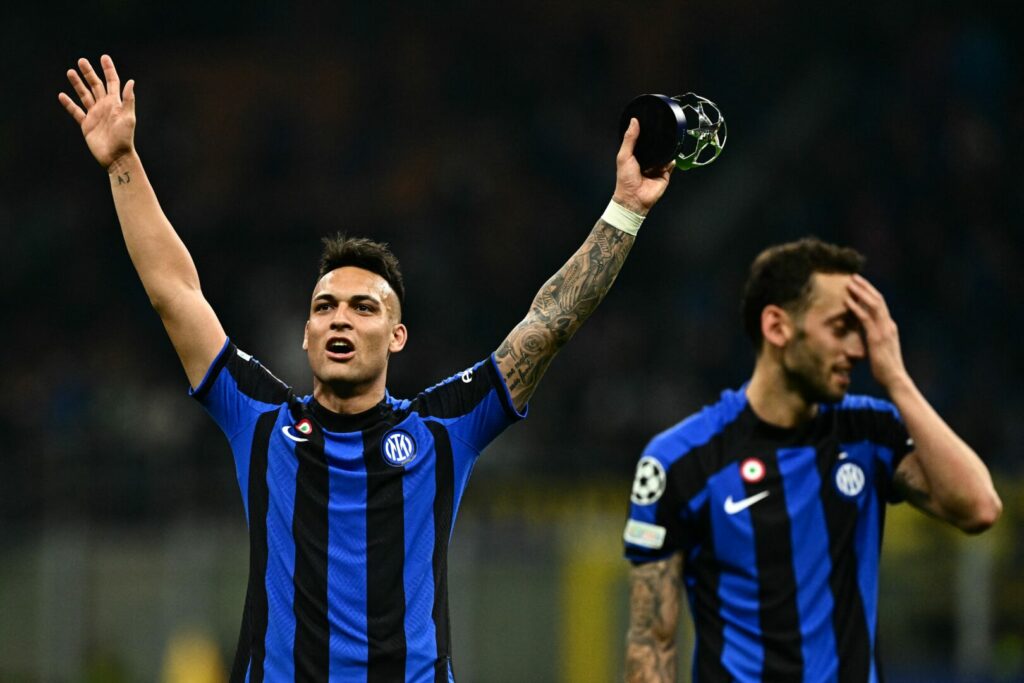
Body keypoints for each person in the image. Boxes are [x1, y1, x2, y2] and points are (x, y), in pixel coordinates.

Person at [59, 54, 673, 681]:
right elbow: (175, 292)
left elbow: (549, 324)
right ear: (305, 334)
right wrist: (122, 162)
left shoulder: (442, 430)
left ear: (397, 336)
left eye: (363, 308)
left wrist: (625, 208)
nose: (340, 320)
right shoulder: (261, 419)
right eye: (324, 307)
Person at [622, 238, 1002, 682]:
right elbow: (651, 642)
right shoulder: (681, 461)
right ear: (777, 327)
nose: (858, 350)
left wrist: (896, 378)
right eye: (840, 328)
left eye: (863, 331)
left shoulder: (870, 431)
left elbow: (979, 508)